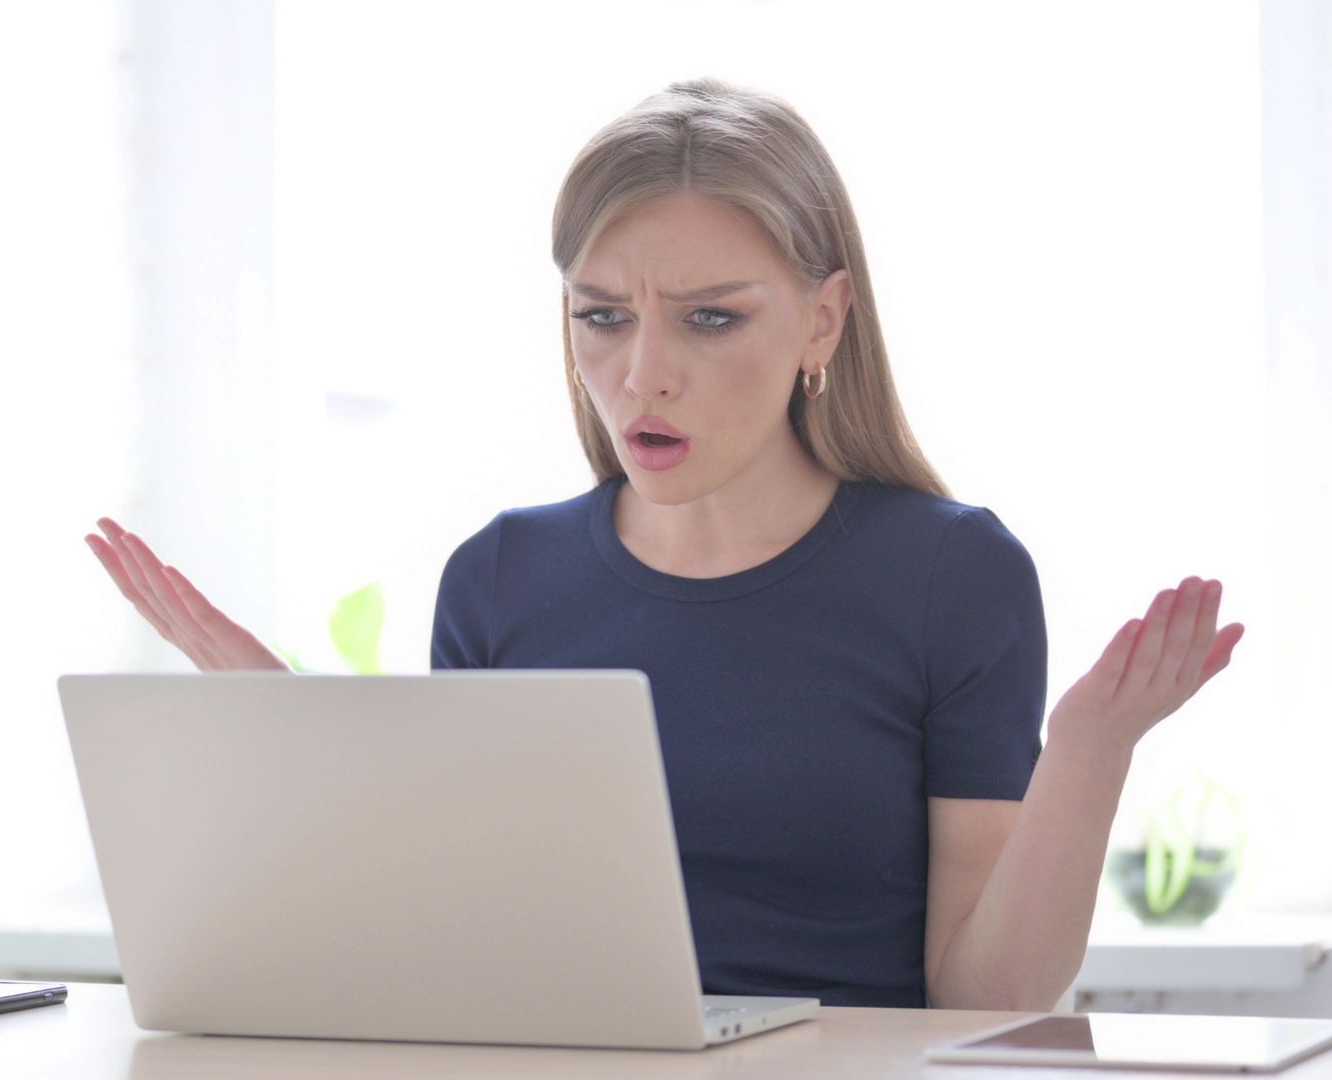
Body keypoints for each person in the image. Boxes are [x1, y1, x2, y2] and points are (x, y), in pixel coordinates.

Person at [82, 77, 1246, 1011]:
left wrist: (1088, 755)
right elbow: (467, 955)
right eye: (602, 316)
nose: (640, 374)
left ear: (822, 321)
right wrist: (298, 759)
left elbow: (985, 998)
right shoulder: (499, 581)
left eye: (710, 318)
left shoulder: (953, 577)